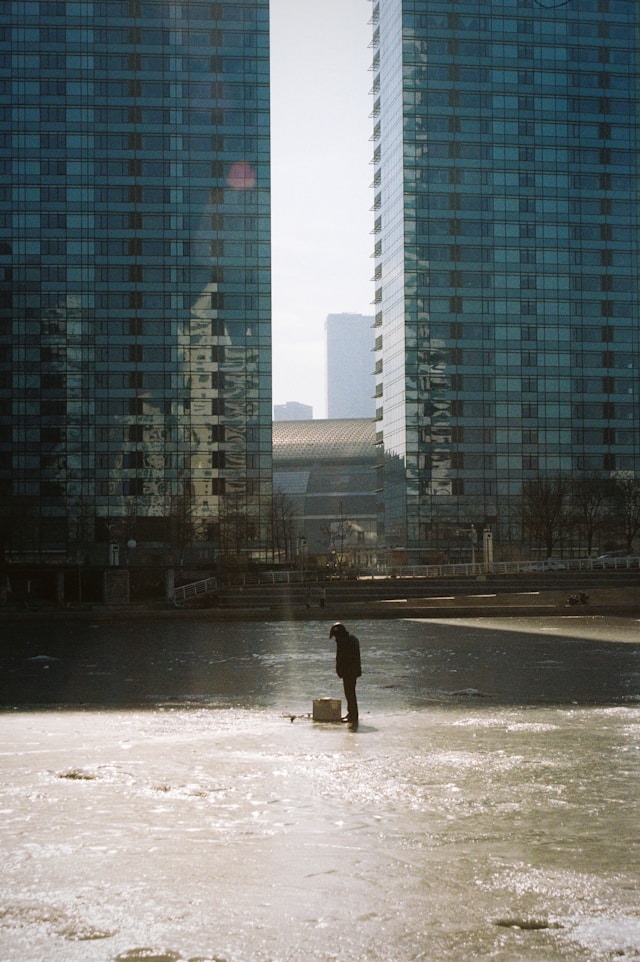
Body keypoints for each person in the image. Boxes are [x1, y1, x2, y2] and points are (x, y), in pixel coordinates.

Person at [329, 622, 361, 725]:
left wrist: (341, 671)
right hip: (353, 671)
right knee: (350, 693)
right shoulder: (351, 639)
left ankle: (352, 715)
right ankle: (352, 714)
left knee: (350, 693)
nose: (335, 639)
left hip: (349, 672)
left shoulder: (344, 642)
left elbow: (343, 659)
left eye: (335, 636)